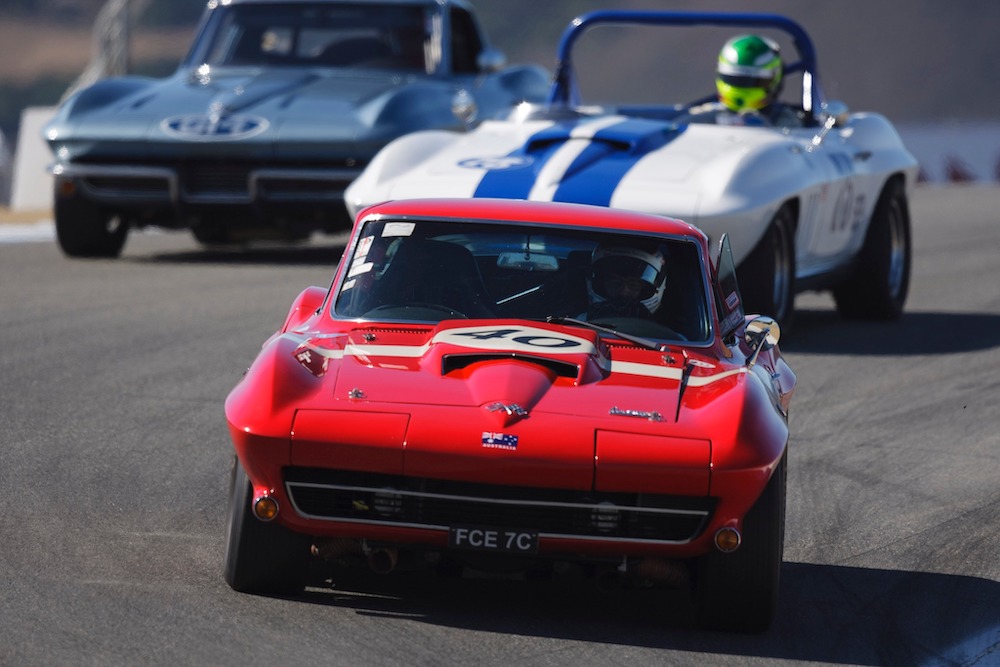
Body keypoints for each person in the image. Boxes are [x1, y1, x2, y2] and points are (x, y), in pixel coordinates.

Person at [685, 34, 804, 128]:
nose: (743, 86)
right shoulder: (700, 117)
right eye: (734, 79)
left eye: (755, 81)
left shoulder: (788, 123)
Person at [585, 243, 666, 320]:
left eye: (633, 284)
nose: (623, 292)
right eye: (614, 282)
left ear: (645, 289)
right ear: (601, 284)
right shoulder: (579, 324)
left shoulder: (664, 333)